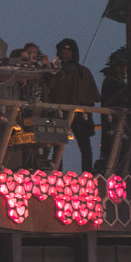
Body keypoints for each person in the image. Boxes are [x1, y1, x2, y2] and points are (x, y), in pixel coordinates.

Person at [48, 38, 100, 172]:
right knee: (57, 146)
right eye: (63, 52)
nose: (65, 55)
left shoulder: (82, 72)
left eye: (68, 52)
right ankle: (57, 174)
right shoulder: (54, 71)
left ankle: (87, 174)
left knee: (85, 147)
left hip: (79, 114)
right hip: (59, 114)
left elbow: (90, 94)